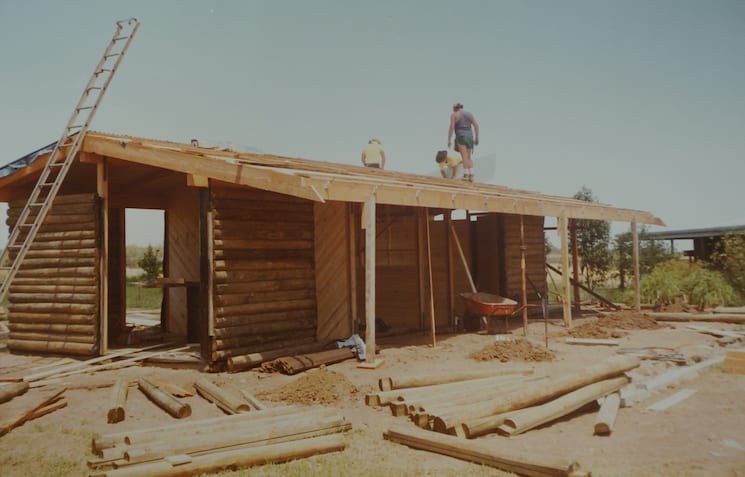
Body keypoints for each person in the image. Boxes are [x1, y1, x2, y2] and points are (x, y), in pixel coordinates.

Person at [447, 103, 479, 182]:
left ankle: (466, 175)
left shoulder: (454, 115)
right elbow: (476, 126)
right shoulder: (469, 114)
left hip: (461, 137)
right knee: (469, 157)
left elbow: (451, 127)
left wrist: (449, 140)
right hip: (470, 137)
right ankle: (471, 174)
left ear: (455, 108)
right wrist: (477, 138)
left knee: (464, 157)